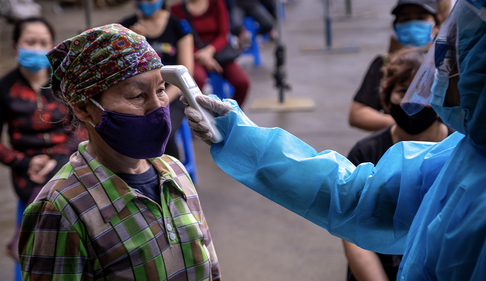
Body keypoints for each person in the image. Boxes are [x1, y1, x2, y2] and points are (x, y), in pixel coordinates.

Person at [182, 0, 486, 278]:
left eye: (454, 64)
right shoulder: (468, 155)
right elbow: (358, 197)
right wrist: (240, 136)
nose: (441, 82)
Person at [18, 24, 221, 281]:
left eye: (160, 90)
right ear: (83, 108)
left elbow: (211, 271)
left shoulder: (175, 173)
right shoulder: (60, 211)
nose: (158, 107)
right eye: (137, 95)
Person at [342, 47, 453, 281]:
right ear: (386, 97)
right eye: (403, 90)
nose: (413, 101)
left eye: (425, 92)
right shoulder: (365, 152)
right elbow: (351, 231)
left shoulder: (459, 150)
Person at [0, 17, 79, 261]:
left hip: (69, 157)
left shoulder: (64, 82)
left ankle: (25, 243)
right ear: (15, 46)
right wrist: (25, 163)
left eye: (43, 43)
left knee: (65, 176)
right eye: (30, 42)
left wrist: (58, 159)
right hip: (27, 170)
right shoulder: (3, 89)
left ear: (52, 47)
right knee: (64, 194)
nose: (37, 48)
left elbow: (83, 126)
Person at [349, 0, 441, 132]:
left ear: (437, 26)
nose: (412, 24)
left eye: (421, 18)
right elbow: (358, 115)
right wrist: (406, 122)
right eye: (405, 19)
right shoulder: (386, 64)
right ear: (396, 28)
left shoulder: (448, 66)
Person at [120, 0, 194, 159]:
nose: (145, 2)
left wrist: (162, 98)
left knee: (162, 129)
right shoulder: (126, 27)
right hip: (138, 94)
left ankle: (172, 175)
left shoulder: (179, 26)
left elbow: (185, 74)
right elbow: (123, 72)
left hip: (173, 95)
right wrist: (137, 44)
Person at [170, 0, 251, 108]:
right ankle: (199, 117)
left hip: (217, 50)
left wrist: (209, 52)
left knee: (242, 82)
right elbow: (179, 38)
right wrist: (201, 56)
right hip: (191, 53)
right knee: (196, 80)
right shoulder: (176, 9)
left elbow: (223, 34)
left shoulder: (216, 3)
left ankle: (231, 115)